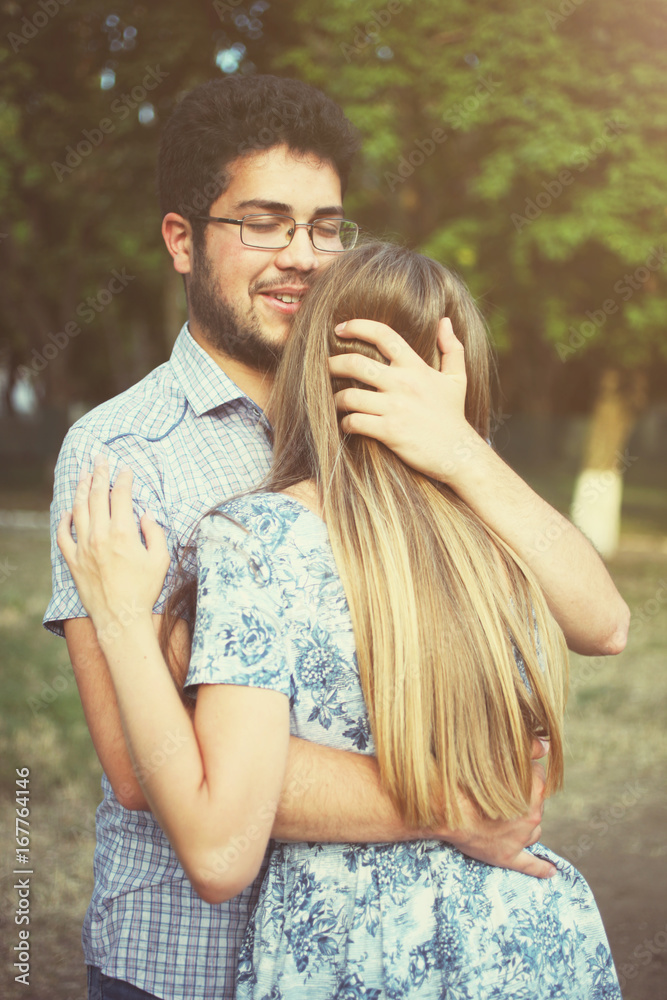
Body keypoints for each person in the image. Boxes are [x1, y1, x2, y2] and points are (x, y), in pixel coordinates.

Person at [44, 75, 629, 1000]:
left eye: (324, 227)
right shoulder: (120, 450)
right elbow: (138, 765)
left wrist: (460, 450)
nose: (302, 256)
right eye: (264, 224)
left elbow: (601, 624)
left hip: (388, 958)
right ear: (182, 240)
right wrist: (451, 804)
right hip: (186, 958)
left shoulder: (393, 415)